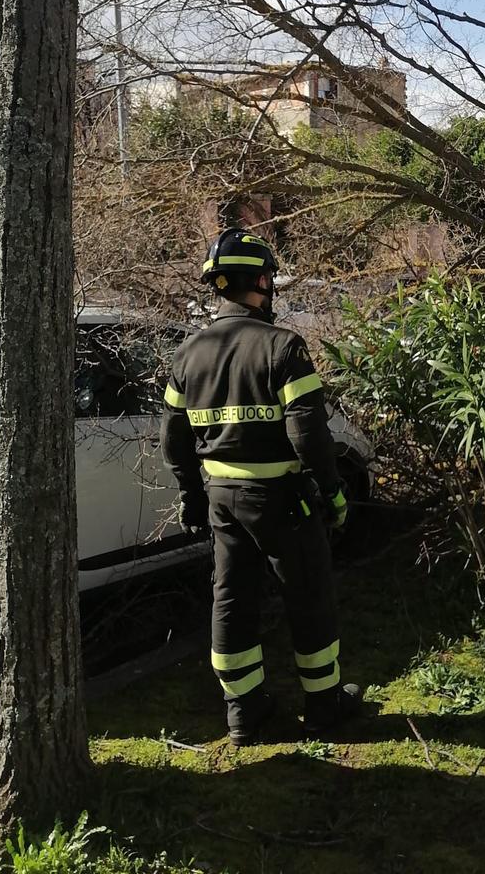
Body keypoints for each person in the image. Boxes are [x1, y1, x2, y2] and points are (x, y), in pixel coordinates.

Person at [160, 228, 361, 746]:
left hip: (221, 500)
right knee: (309, 597)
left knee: (230, 601)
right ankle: (323, 707)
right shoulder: (283, 347)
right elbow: (309, 435)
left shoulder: (187, 355)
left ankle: (244, 713)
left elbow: (174, 442)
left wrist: (191, 496)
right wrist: (334, 494)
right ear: (261, 281)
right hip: (282, 500)